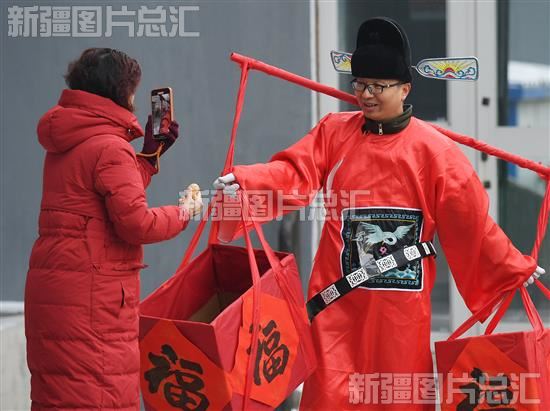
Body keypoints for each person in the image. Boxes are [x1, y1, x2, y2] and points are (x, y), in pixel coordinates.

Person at [213, 18, 546, 410]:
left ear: (405, 88)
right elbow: (293, 173)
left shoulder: (435, 152)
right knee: (331, 395)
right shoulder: (334, 133)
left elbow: (471, 223)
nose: (366, 95)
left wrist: (510, 267)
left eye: (377, 86)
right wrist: (247, 183)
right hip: (337, 305)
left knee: (397, 394)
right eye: (360, 84)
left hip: (400, 313)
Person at [25, 48, 202, 410]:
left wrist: (148, 158)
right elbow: (137, 223)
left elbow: (105, 204)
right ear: (119, 92)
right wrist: (184, 211)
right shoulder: (111, 148)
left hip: (57, 291)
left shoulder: (66, 140)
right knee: (100, 397)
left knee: (59, 396)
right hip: (95, 302)